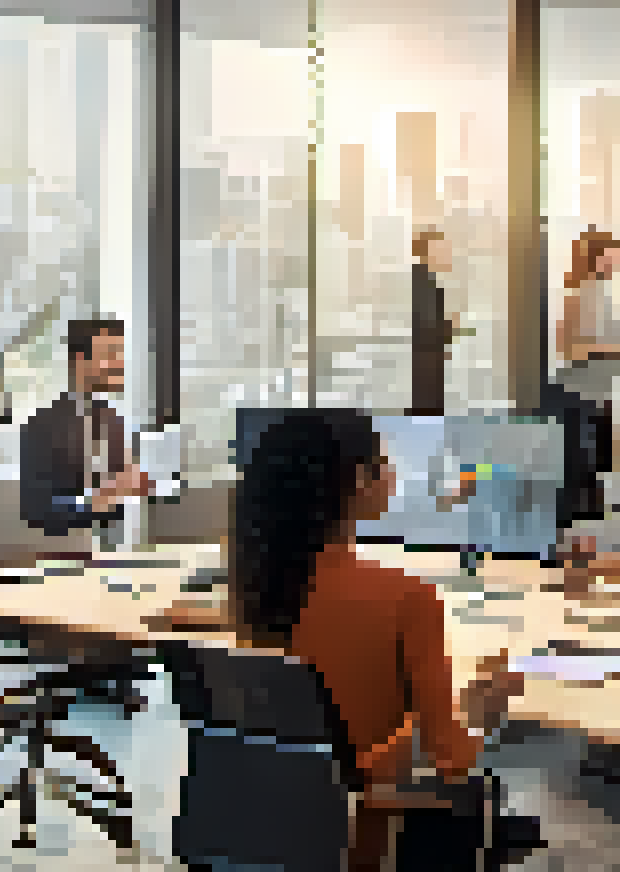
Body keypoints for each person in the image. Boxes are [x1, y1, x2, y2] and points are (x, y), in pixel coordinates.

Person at [225, 409, 529, 871]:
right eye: (383, 462)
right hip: (371, 839)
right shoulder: (408, 598)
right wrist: (481, 714)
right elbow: (450, 763)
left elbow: (322, 738)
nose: (392, 473)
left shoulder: (252, 592)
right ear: (358, 481)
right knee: (487, 794)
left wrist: (435, 717)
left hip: (281, 827)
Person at [19, 318, 147, 540]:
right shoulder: (41, 426)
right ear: (80, 361)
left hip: (122, 547)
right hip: (61, 552)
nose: (120, 363)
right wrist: (95, 500)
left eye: (120, 353)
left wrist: (142, 487)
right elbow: (36, 508)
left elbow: (125, 497)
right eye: (110, 354)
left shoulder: (118, 423)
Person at [549, 228, 620, 537]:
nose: (616, 260)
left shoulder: (600, 292)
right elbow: (568, 347)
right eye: (611, 253)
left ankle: (588, 537)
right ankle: (570, 538)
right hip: (578, 393)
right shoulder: (581, 293)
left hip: (597, 393)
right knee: (580, 467)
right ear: (597, 256)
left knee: (596, 466)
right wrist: (612, 348)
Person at [410, 229, 457, 416]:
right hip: (424, 368)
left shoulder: (425, 279)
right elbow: (427, 328)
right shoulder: (423, 282)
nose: (447, 254)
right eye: (442, 249)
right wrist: (448, 327)